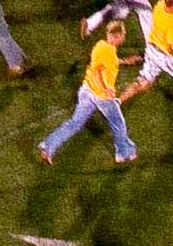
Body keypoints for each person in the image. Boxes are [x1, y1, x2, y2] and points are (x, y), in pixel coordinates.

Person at [40, 16, 144, 165]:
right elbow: (98, 71)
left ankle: (48, 147)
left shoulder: (101, 45)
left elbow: (104, 63)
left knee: (74, 123)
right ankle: (123, 153)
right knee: (118, 124)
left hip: (86, 91)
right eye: (123, 35)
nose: (124, 37)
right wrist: (105, 89)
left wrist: (125, 61)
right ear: (117, 36)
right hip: (101, 97)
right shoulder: (108, 51)